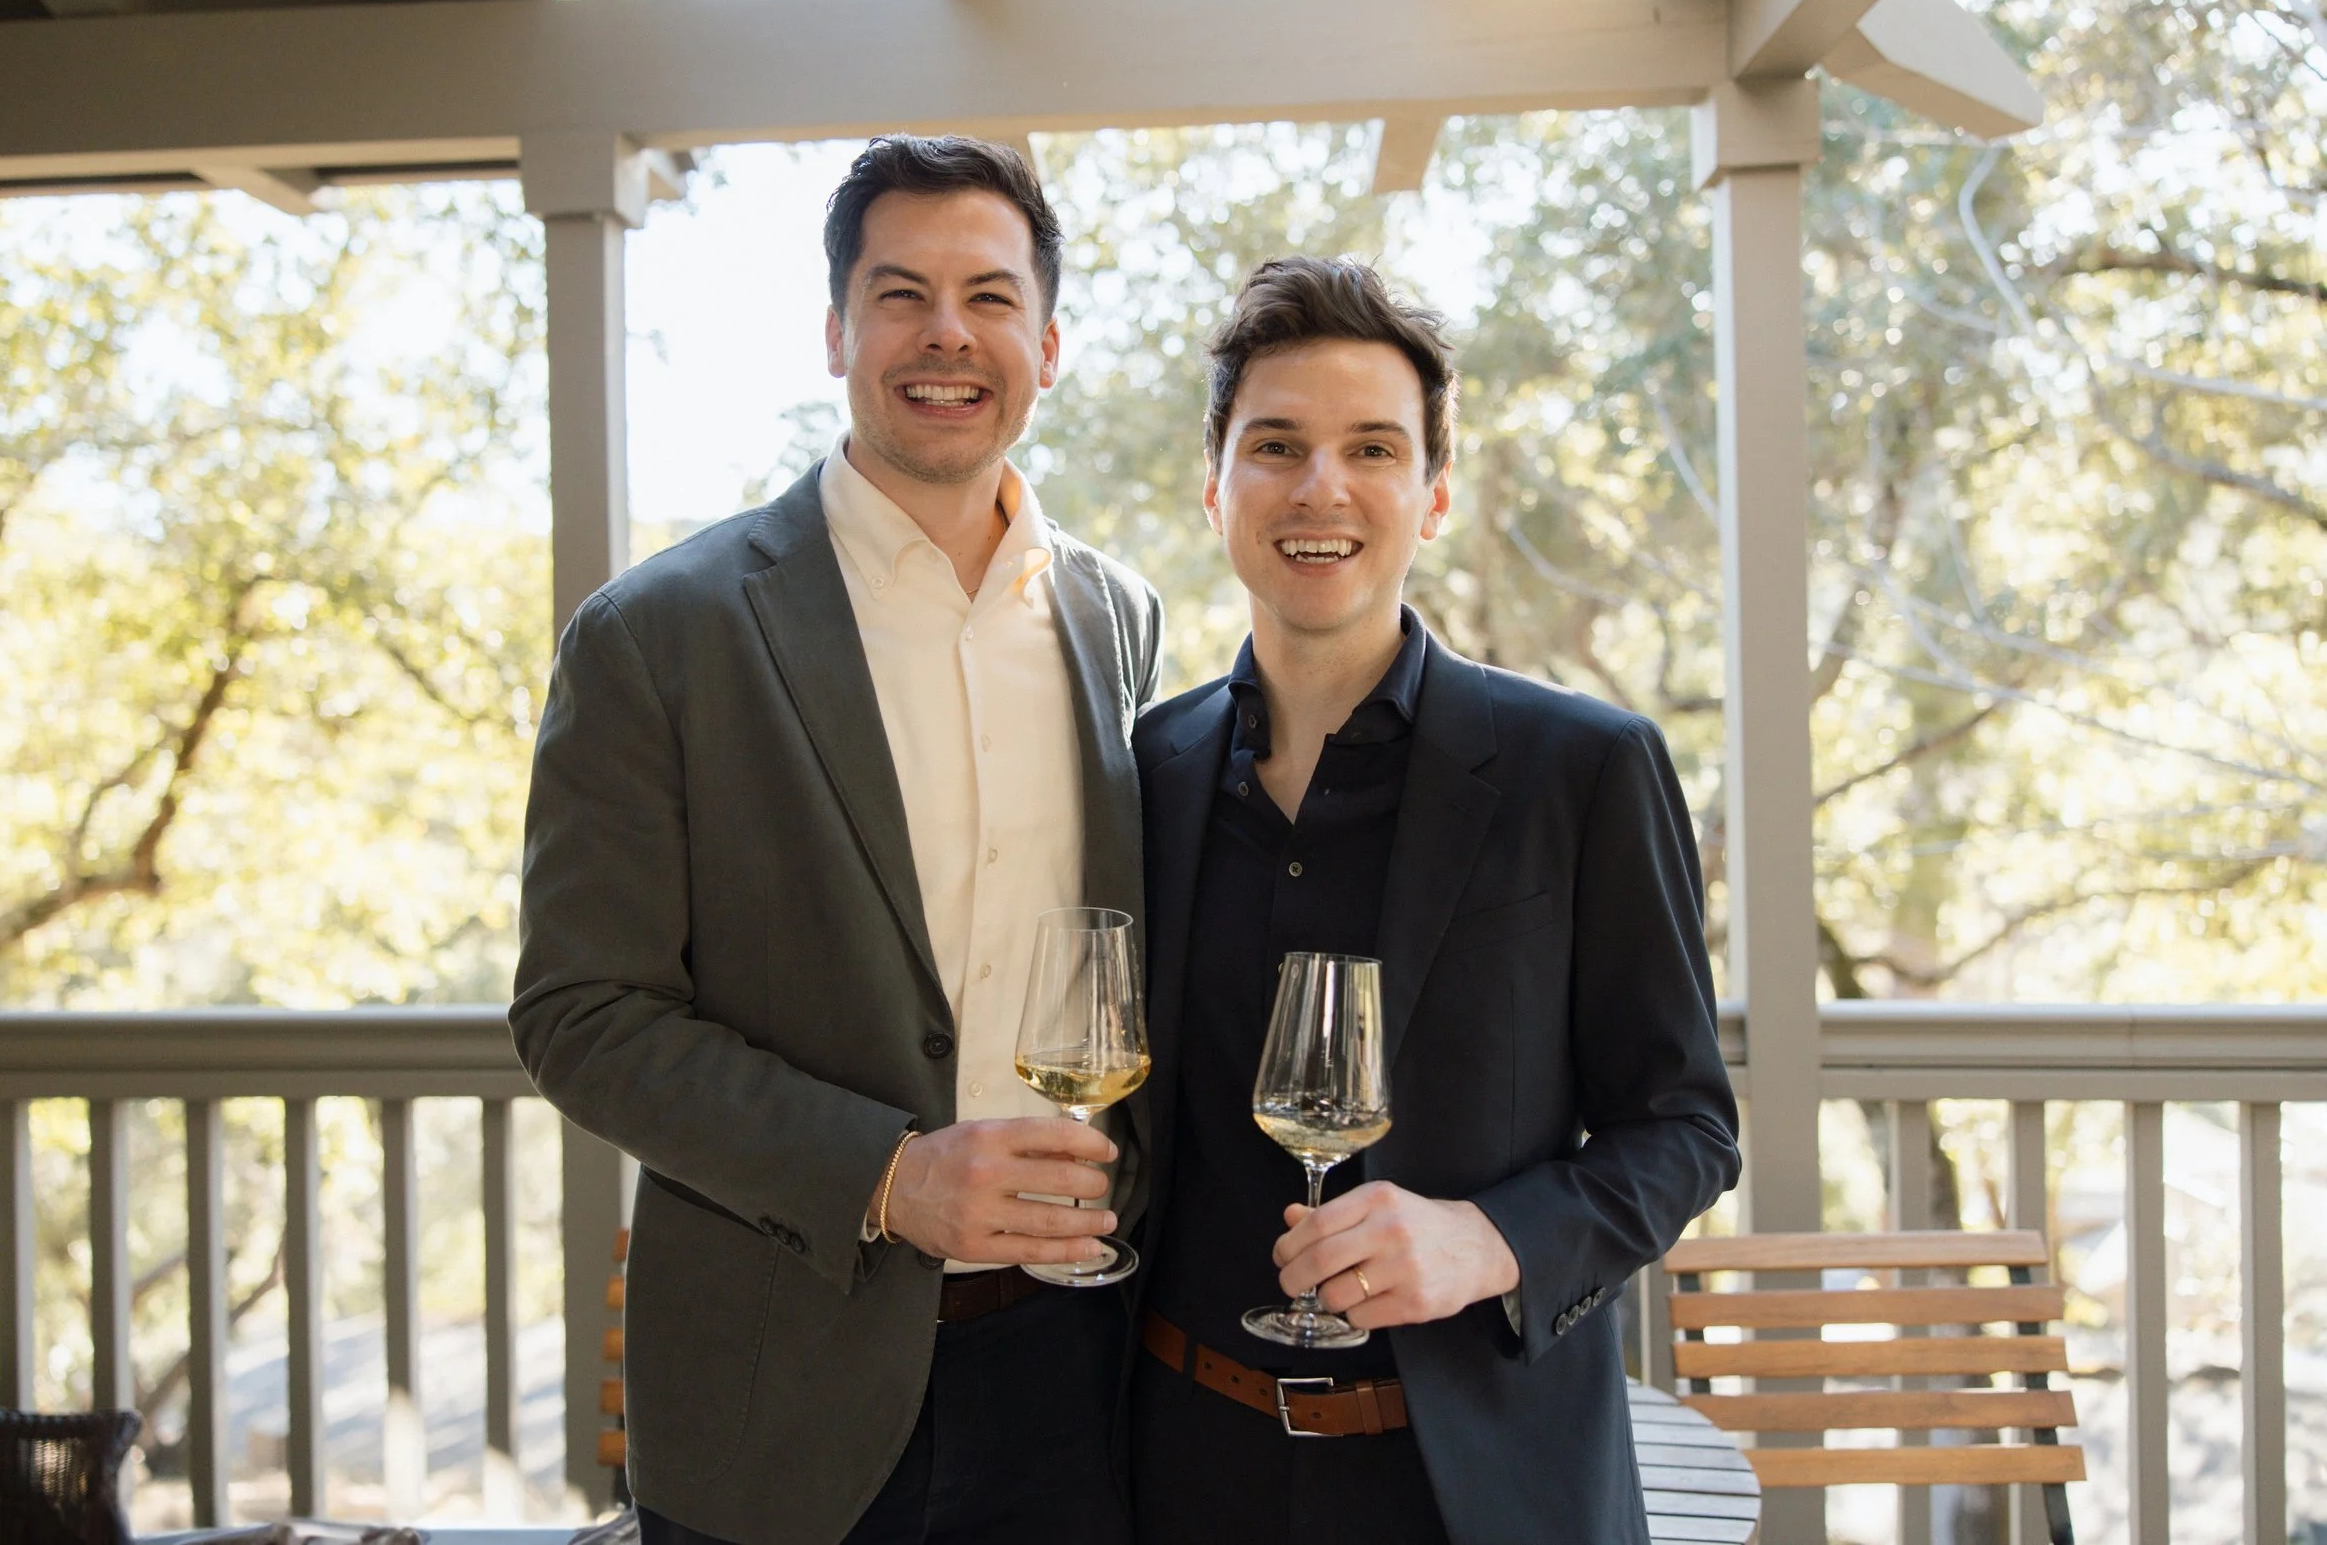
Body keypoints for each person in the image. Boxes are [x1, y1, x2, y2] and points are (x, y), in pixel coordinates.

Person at [511, 134, 1161, 1545]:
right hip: (776, 1396)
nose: (947, 334)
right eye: (900, 292)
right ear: (836, 331)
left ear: (1048, 345)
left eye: (991, 297)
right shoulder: (658, 634)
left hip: (1079, 1380)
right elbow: (580, 1014)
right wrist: (887, 1171)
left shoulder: (1119, 619)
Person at [1128, 256, 1740, 1544]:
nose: (1322, 488)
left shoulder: (1584, 767)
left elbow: (1687, 1125)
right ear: (1216, 487)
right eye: (1277, 445)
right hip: (1178, 1474)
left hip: (1481, 1492)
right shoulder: (1145, 771)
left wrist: (1491, 1240)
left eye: (1372, 448)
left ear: (1434, 494)